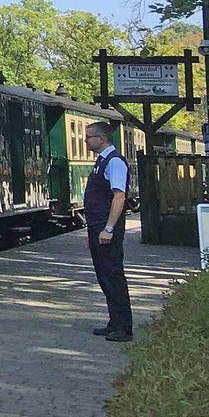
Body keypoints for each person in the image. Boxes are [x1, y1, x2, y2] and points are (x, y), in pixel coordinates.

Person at [81, 121, 132, 343]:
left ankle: (123, 327)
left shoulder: (115, 162)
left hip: (107, 229)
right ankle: (114, 322)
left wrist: (109, 228)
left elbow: (119, 196)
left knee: (113, 276)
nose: (85, 141)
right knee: (104, 277)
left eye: (88, 137)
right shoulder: (102, 161)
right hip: (98, 228)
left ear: (101, 139)